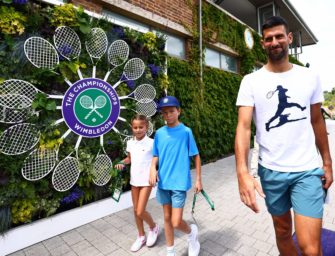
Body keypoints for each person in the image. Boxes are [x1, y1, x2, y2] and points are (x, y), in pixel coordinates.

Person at [235, 16, 333, 256]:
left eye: (279, 36)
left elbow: (317, 120)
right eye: (268, 38)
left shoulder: (309, 77)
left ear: (289, 38)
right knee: (282, 232)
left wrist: (328, 162)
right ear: (263, 43)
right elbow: (243, 127)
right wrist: (243, 174)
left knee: (310, 248)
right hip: (271, 171)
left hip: (307, 171)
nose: (274, 42)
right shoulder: (251, 81)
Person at [149, 96, 202, 256]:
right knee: (166, 218)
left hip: (179, 183)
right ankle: (170, 251)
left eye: (171, 111)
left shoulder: (186, 132)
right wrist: (152, 167)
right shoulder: (159, 133)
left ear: (179, 111)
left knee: (176, 221)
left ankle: (191, 232)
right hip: (163, 182)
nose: (168, 115)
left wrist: (198, 179)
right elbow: (155, 155)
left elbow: (196, 156)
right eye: (164, 113)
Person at [115, 114, 159, 252]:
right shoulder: (130, 143)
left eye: (141, 127)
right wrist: (122, 162)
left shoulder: (152, 143)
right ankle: (141, 236)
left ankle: (153, 227)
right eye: (135, 127)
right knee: (136, 210)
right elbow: (129, 159)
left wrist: (156, 172)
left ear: (146, 127)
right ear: (132, 127)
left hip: (147, 181)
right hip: (134, 180)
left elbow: (157, 159)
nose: (138, 130)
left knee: (140, 210)